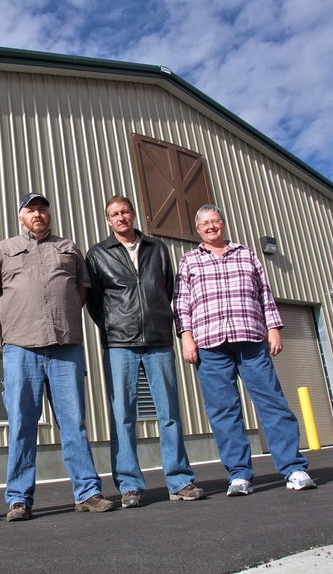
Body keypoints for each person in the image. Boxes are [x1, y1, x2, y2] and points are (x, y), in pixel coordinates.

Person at [0, 192, 114, 521]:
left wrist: (63, 314)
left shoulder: (68, 248)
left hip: (65, 346)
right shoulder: (3, 249)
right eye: (31, 209)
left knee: (73, 424)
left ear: (48, 215)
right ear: (20, 216)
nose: (38, 214)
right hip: (21, 348)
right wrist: (12, 321)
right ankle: (19, 499)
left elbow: (82, 290)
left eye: (42, 209)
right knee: (22, 425)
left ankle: (87, 492)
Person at [174, 204, 316, 496]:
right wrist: (186, 338)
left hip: (251, 339)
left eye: (215, 221)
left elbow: (264, 292)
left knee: (272, 404)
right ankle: (239, 475)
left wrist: (273, 328)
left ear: (223, 224)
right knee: (224, 411)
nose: (211, 226)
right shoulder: (188, 261)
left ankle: (293, 468)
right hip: (210, 345)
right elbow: (181, 303)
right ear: (198, 230)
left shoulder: (247, 253)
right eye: (205, 223)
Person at [86, 195, 205, 508]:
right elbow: (95, 302)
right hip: (119, 343)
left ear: (133, 214)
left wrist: (164, 322)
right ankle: (129, 485)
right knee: (123, 415)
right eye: (114, 214)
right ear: (108, 220)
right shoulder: (98, 254)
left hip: (158, 340)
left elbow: (168, 289)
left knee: (169, 414)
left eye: (125, 211)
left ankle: (179, 481)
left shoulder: (158, 248)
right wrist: (113, 326)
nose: (121, 217)